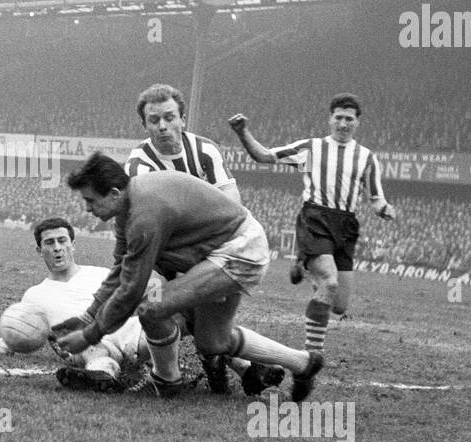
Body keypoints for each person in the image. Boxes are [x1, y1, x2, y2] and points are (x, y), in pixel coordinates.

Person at [54, 154, 324, 401]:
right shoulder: (129, 208)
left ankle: (166, 380)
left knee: (152, 308)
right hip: (226, 250)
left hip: (239, 251)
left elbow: (130, 289)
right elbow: (120, 270)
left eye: (90, 200)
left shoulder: (144, 215)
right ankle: (303, 363)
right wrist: (88, 317)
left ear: (113, 193)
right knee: (213, 342)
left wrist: (89, 336)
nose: (88, 209)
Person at [124, 83, 281, 395]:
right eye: (154, 120)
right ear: (144, 125)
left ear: (183, 117)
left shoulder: (205, 150)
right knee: (168, 311)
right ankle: (234, 365)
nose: (163, 126)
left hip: (215, 248)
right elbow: (152, 226)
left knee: (200, 315)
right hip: (170, 255)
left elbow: (231, 203)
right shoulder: (139, 164)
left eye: (169, 117)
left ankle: (221, 364)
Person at [227, 93, 396, 356]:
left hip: (346, 226)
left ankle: (304, 266)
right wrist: (243, 132)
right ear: (330, 119)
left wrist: (384, 209)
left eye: (349, 119)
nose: (343, 124)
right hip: (315, 218)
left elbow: (376, 198)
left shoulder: (366, 157)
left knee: (339, 306)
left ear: (357, 123)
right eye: (338, 118)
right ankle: (312, 356)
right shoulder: (311, 148)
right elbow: (265, 156)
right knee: (329, 283)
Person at [0, 217, 148, 392]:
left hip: (126, 328)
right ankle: (105, 378)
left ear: (73, 245)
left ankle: (162, 373)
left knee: (155, 326)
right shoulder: (35, 296)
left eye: (62, 241)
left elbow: (137, 298)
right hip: (86, 343)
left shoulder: (102, 274)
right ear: (40, 250)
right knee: (93, 352)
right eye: (49, 243)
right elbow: (13, 340)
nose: (57, 248)